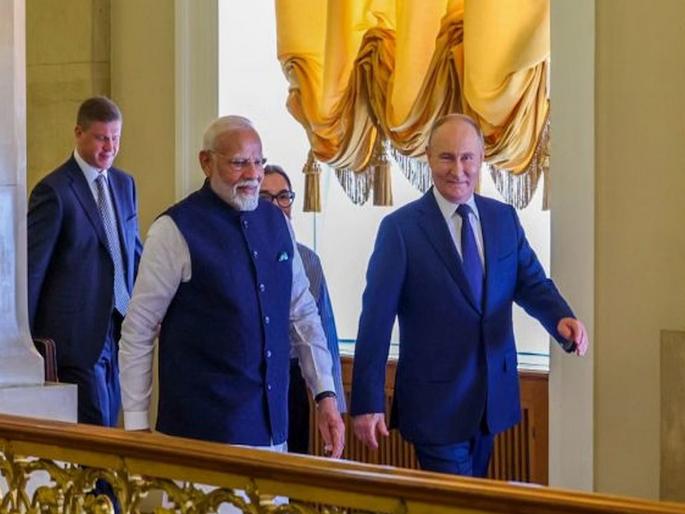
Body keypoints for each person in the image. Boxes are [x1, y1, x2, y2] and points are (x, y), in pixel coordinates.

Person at [350, 114, 589, 478]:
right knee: (458, 500)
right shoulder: (400, 230)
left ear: (481, 159)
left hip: (492, 400)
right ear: (429, 158)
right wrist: (367, 402)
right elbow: (375, 321)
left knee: (471, 496)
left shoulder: (504, 219)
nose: (458, 169)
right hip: (434, 407)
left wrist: (560, 318)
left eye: (467, 158)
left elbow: (531, 282)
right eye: (446, 157)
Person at [118, 116, 344, 459]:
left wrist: (325, 394)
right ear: (206, 162)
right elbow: (139, 328)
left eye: (258, 162)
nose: (252, 174)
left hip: (272, 433)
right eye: (238, 163)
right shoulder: (173, 229)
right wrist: (135, 425)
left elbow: (302, 312)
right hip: (198, 438)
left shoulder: (278, 223)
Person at [27, 96, 142, 427]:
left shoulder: (124, 184)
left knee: (113, 422)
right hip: (75, 337)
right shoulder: (54, 191)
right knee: (96, 427)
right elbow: (32, 270)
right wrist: (26, 345)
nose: (110, 147)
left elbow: (134, 252)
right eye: (101, 138)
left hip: (119, 328)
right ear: (78, 133)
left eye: (116, 138)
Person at [260, 164, 347, 454]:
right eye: (266, 198)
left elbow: (322, 329)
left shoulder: (308, 260)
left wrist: (332, 401)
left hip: (293, 378)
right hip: (251, 380)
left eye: (283, 196)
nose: (276, 205)